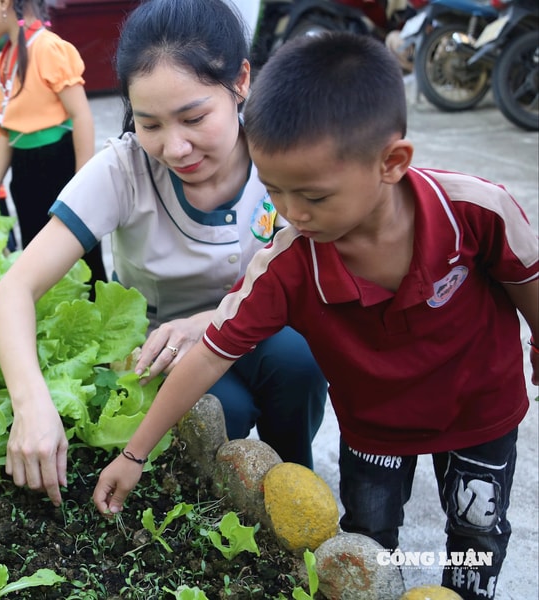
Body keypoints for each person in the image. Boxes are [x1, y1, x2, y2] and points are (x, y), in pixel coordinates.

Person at [93, 31, 538, 600]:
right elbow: (210, 354)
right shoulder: (288, 262)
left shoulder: (476, 211)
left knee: (477, 531)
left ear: (391, 162)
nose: (293, 213)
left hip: (482, 408)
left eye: (314, 196)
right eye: (275, 191)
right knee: (367, 543)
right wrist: (134, 453)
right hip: (376, 425)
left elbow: (527, 282)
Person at [0, 0, 327, 507]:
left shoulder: (277, 154)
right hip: (160, 352)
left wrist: (205, 322)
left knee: (298, 362)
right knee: (220, 413)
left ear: (240, 82)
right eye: (150, 125)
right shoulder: (123, 170)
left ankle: (297, 492)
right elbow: (14, 290)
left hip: (257, 328)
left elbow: (318, 280)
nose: (175, 148)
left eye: (194, 118)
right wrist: (31, 402)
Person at [0, 0, 106, 283]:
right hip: (24, 173)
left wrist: (83, 182)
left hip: (60, 168)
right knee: (38, 259)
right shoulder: (0, 63)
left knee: (81, 260)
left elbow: (81, 115)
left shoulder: (47, 48)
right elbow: (8, 131)